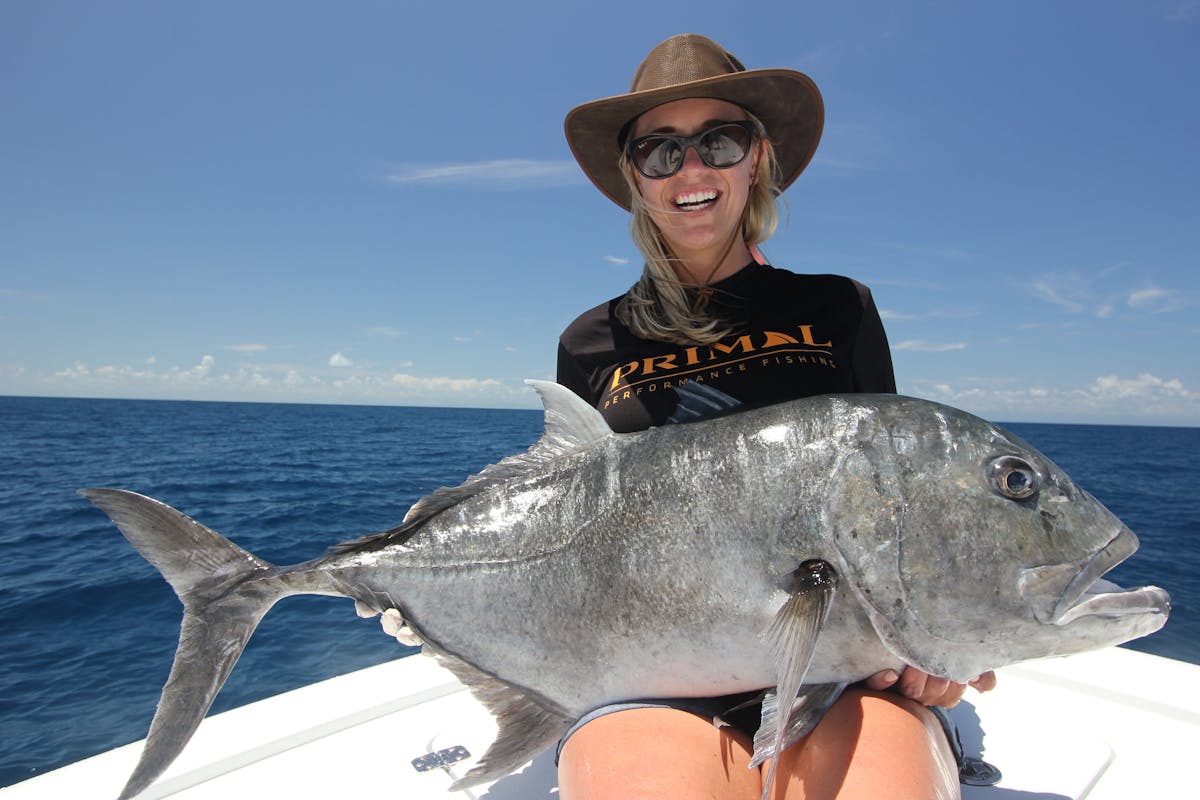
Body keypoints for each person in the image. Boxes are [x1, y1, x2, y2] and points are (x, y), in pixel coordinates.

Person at [555, 34, 995, 799]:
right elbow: (568, 526)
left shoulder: (836, 308)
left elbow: (892, 500)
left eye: (717, 142)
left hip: (841, 671)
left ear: (755, 158)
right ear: (635, 175)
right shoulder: (590, 342)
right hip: (651, 667)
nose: (691, 170)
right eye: (661, 151)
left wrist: (937, 635)